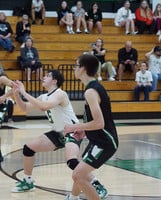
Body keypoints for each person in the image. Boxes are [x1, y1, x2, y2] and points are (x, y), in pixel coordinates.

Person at [10, 70, 80, 193]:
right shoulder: (43, 96)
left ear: (54, 81)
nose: (43, 77)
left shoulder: (60, 94)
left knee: (72, 162)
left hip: (73, 132)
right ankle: (28, 181)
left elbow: (44, 107)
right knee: (28, 148)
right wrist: (16, 94)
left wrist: (24, 92)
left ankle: (95, 183)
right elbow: (24, 108)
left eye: (47, 76)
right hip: (57, 133)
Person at [64, 54, 118, 200]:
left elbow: (100, 123)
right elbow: (100, 120)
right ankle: (72, 197)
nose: (74, 68)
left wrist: (74, 126)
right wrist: (84, 130)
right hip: (99, 140)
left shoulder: (91, 91)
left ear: (82, 69)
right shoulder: (93, 88)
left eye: (76, 65)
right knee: (79, 172)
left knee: (78, 175)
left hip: (104, 142)